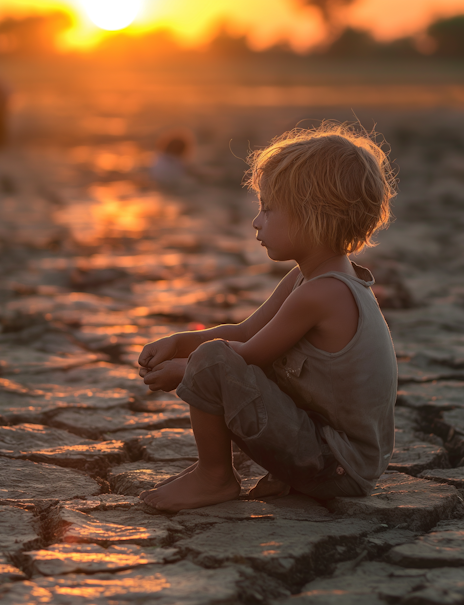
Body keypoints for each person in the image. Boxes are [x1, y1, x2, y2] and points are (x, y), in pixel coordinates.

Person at [138, 122, 398, 512]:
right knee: (213, 353)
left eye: (268, 209)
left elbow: (244, 356)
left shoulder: (323, 292)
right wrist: (180, 342)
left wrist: (182, 369)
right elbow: (245, 331)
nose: (257, 222)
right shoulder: (308, 278)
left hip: (336, 467)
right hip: (332, 456)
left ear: (314, 216)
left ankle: (214, 478)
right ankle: (264, 478)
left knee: (214, 358)